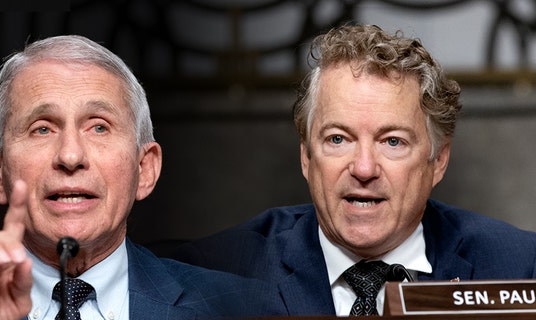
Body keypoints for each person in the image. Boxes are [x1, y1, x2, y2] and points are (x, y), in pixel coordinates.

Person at [0, 35, 284, 320]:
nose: (70, 156)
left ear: (145, 169)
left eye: (98, 127)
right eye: (42, 129)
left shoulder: (245, 306)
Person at [173, 24, 536, 316]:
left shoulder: (520, 267)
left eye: (392, 142)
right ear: (306, 157)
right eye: (337, 139)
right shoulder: (216, 272)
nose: (364, 168)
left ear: (438, 160)